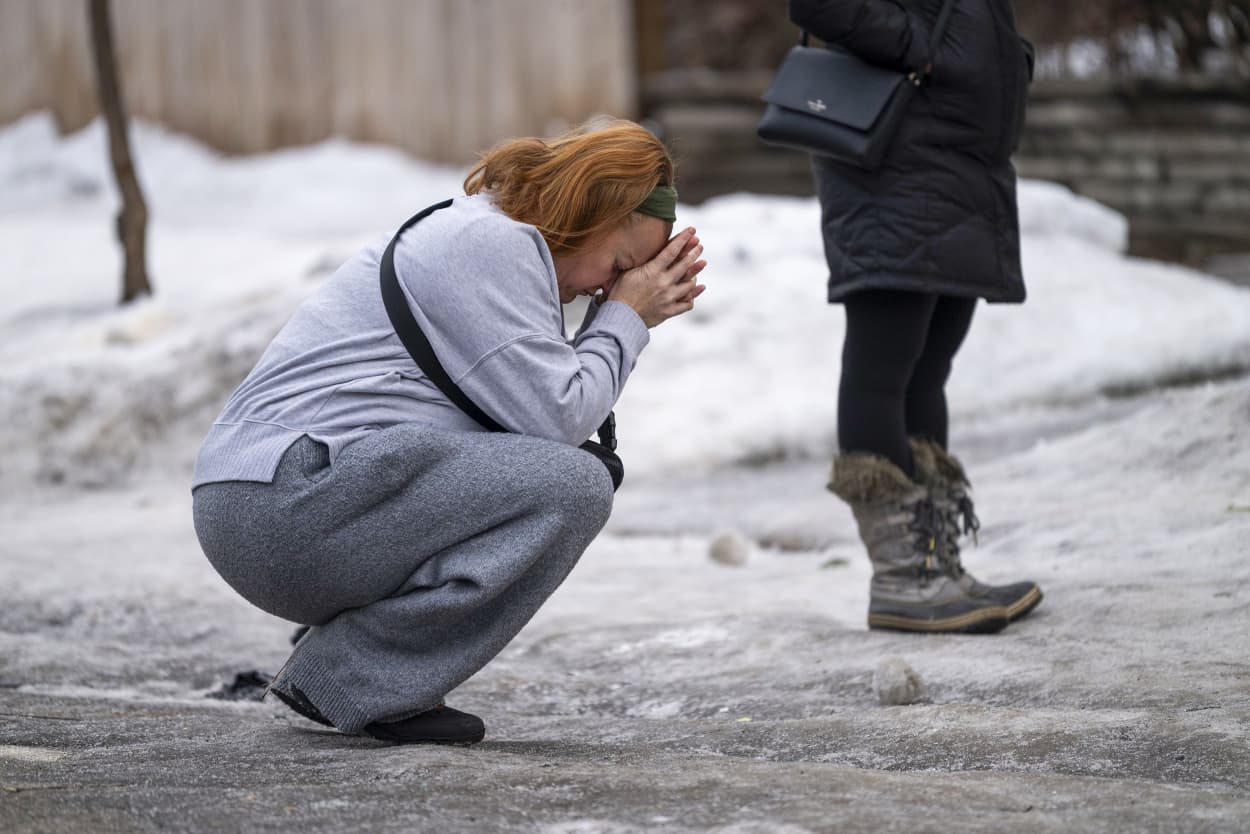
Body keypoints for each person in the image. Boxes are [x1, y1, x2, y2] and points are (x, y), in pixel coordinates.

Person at [191, 119, 707, 744]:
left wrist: (616, 311)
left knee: (535, 474)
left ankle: (355, 654)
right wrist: (625, 318)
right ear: (594, 207)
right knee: (574, 485)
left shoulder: (487, 237)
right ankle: (351, 677)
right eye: (620, 264)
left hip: (272, 497)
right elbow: (560, 420)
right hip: (282, 499)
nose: (608, 285)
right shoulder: (493, 246)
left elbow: (530, 424)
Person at [787, 0, 1042, 633]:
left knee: (929, 370)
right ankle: (903, 580)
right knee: (882, 369)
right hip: (895, 164)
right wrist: (925, 47)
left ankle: (936, 565)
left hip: (954, 164)